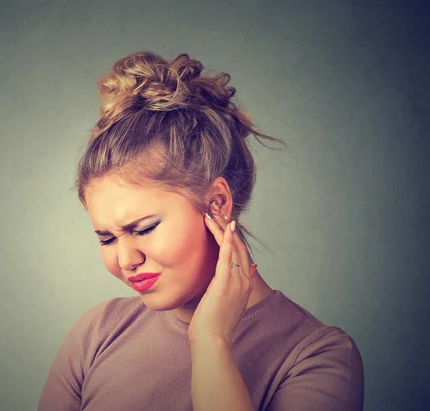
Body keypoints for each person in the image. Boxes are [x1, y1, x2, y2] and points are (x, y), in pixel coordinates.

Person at [37, 51, 364, 411]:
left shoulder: (316, 358)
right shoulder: (96, 333)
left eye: (144, 228)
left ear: (217, 203)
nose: (125, 259)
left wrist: (211, 342)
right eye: (107, 238)